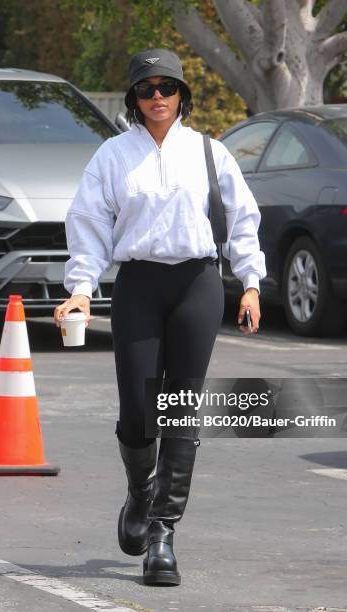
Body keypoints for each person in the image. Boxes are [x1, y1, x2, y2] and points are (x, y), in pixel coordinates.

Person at [54, 48, 266, 586]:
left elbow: (242, 219)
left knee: (181, 407)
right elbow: (88, 223)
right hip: (138, 287)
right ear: (133, 97)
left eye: (166, 88)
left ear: (181, 95)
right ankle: (139, 491)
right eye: (146, 89)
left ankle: (163, 534)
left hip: (198, 283)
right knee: (138, 409)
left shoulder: (210, 154)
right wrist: (80, 289)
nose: (157, 98)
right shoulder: (112, 155)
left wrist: (251, 283)